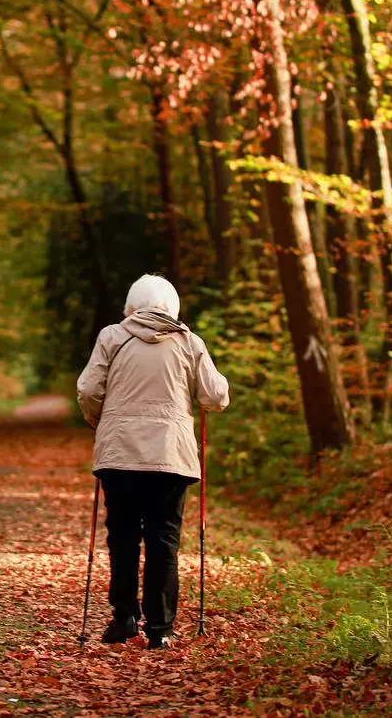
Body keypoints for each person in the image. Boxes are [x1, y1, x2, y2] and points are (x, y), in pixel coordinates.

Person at [76, 274, 229, 649]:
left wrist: (103, 421)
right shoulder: (190, 343)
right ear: (173, 306)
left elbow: (87, 390)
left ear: (131, 306)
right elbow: (216, 395)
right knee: (164, 539)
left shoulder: (112, 337)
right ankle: (160, 629)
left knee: (123, 536)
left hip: (120, 454)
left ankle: (124, 616)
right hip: (170, 456)